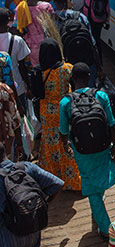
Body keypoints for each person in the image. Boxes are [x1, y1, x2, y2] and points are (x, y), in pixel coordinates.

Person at [59, 62, 115, 238]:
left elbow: (63, 131)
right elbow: (111, 123)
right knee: (99, 179)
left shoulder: (65, 102)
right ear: (88, 77)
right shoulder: (101, 95)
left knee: (91, 185)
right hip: (102, 146)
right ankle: (100, 213)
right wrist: (114, 144)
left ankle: (105, 229)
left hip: (82, 150)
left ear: (72, 80)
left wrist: (66, 145)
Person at [36, 39, 78, 190]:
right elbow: (75, 86)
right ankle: (71, 180)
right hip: (63, 111)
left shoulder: (38, 72)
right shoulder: (67, 69)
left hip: (46, 113)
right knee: (65, 143)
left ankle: (51, 178)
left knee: (50, 142)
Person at [51, 0, 98, 76]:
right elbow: (93, 45)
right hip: (86, 65)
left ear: (53, 1)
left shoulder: (51, 23)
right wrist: (99, 68)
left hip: (66, 69)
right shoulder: (81, 17)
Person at [16, 0, 54, 65]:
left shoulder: (20, 8)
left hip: (29, 50)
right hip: (47, 47)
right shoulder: (46, 7)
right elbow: (54, 29)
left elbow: (18, 29)